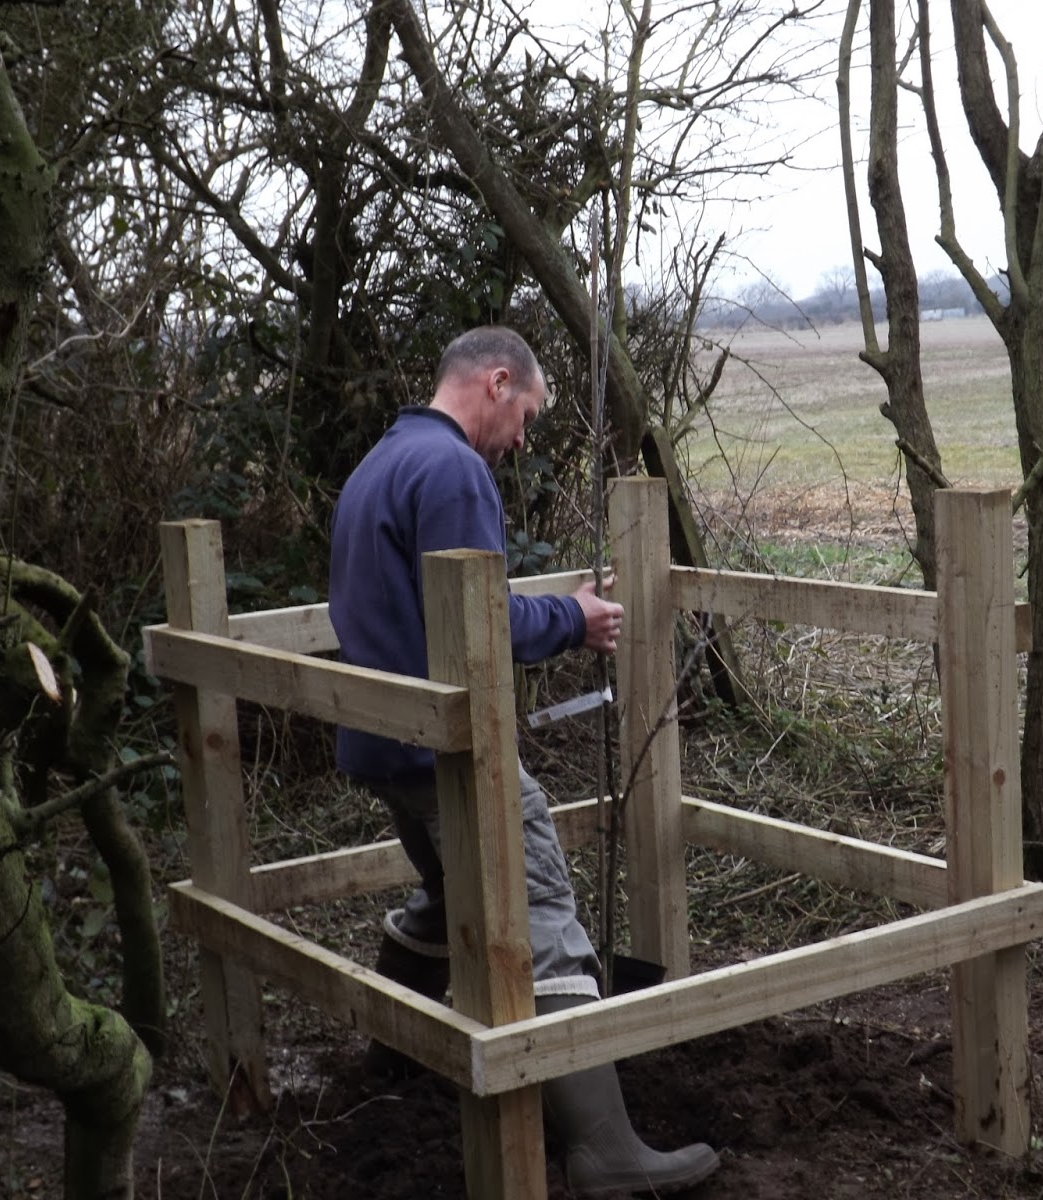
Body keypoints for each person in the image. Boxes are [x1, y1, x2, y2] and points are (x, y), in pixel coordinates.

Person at [328, 326, 719, 1196]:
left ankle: (391, 1065)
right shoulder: (454, 471)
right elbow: (478, 621)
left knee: (446, 894)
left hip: (379, 742)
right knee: (537, 902)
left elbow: (434, 599)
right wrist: (575, 621)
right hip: (446, 750)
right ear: (497, 383)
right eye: (529, 416)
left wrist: (553, 611)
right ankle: (604, 1149)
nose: (524, 440)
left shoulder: (378, 466)